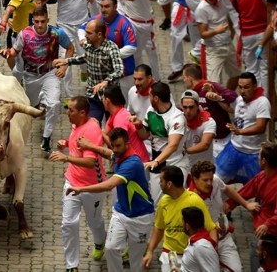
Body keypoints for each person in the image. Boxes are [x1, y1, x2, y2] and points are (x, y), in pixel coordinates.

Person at [68, 127, 155, 272]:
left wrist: (81, 189)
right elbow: (108, 153)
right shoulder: (119, 154)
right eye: (113, 145)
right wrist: (90, 145)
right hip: (121, 213)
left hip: (141, 218)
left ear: (128, 144)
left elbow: (109, 185)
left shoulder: (132, 163)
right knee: (110, 248)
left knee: (136, 261)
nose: (115, 149)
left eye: (118, 146)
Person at [0, 7, 73, 152]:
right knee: (32, 107)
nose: (40, 25)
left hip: (50, 73)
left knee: (54, 103)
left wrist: (64, 66)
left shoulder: (57, 33)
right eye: (37, 21)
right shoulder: (25, 34)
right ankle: (40, 100)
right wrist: (7, 53)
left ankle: (46, 138)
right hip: (31, 75)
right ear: (33, 20)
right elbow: (15, 50)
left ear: (48, 20)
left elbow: (70, 48)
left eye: (43, 21)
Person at [49, 96, 107, 269]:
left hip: (92, 187)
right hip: (72, 183)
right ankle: (71, 266)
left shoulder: (92, 130)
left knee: (94, 221)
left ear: (82, 113)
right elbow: (77, 145)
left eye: (71, 110)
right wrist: (65, 143)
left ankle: (100, 242)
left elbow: (90, 162)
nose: (67, 113)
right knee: (68, 224)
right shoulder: (76, 123)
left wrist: (66, 157)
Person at [142, 166, 216, 272]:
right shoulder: (163, 202)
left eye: (161, 181)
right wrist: (150, 251)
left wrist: (211, 252)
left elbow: (211, 228)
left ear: (169, 184)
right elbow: (159, 228)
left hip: (191, 256)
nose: (159, 184)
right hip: (169, 255)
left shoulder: (195, 200)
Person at [99, 0, 160, 80]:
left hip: (144, 24)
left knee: (149, 52)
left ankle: (155, 80)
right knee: (135, 53)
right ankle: (135, 79)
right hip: (130, 21)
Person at [188, 160, 256, 272]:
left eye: (210, 179)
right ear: (194, 179)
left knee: (236, 270)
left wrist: (246, 204)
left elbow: (228, 190)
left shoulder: (215, 180)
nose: (209, 183)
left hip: (224, 238)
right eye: (205, 180)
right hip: (204, 244)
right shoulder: (189, 199)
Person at [57, 19, 124, 121]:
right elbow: (84, 57)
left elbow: (119, 70)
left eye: (89, 33)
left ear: (99, 34)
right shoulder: (89, 47)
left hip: (110, 97)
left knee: (112, 127)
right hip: (93, 96)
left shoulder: (111, 48)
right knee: (92, 124)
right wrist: (66, 61)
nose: (86, 36)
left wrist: (106, 81)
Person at [132, 82, 188, 204]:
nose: (148, 97)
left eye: (150, 95)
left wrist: (156, 161)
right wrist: (138, 126)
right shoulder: (151, 110)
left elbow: (173, 145)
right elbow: (144, 135)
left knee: (177, 201)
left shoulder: (177, 118)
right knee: (157, 204)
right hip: (157, 164)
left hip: (175, 164)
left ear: (156, 98)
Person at [226, 141, 277, 272]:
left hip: (268, 234)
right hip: (262, 231)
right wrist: (228, 205)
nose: (257, 158)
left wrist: (267, 224)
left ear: (264, 161)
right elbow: (245, 192)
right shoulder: (261, 176)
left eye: (259, 156)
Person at [47, 0, 93, 96]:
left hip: (82, 26)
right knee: (65, 60)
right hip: (64, 26)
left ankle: (85, 71)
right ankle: (69, 96)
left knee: (85, 56)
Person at [216, 72, 270, 184]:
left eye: (246, 87)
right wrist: (216, 98)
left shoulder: (262, 102)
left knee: (255, 185)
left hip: (253, 153)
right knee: (218, 178)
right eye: (240, 87)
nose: (242, 91)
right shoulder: (240, 99)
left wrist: (240, 132)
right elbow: (230, 109)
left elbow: (261, 127)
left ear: (255, 86)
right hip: (233, 148)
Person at [181, 64, 237, 157]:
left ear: (190, 78)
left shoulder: (209, 86)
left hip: (222, 140)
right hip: (207, 141)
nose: (183, 81)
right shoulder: (192, 94)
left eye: (184, 77)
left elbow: (232, 95)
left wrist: (217, 96)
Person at [231, 0, 269, 91]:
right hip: (264, 33)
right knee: (264, 67)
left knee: (252, 68)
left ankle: (252, 97)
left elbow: (237, 9)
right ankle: (265, 97)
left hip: (247, 35)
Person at [194, 0, 239, 86]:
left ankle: (226, 99)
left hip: (228, 46)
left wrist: (232, 29)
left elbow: (226, 14)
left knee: (236, 76)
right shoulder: (201, 9)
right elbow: (203, 34)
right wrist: (216, 31)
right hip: (213, 50)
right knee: (214, 84)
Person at [101, 84, 149, 163]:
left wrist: (100, 132)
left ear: (107, 101)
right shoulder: (115, 114)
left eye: (103, 98)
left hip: (136, 162)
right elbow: (104, 134)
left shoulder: (120, 119)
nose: (102, 101)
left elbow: (118, 146)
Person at [180, 90, 216, 167]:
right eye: (185, 107)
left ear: (197, 106)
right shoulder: (178, 120)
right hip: (183, 166)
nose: (188, 111)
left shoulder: (208, 121)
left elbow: (205, 145)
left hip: (203, 168)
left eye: (191, 107)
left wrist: (184, 151)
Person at [178, 206, 219, 271]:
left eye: (183, 222)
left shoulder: (201, 247)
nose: (181, 224)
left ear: (187, 226)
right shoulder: (194, 241)